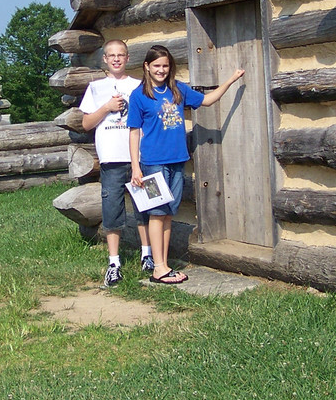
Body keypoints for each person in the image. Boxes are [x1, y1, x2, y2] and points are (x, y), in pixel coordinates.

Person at [127, 45, 245, 284]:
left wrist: (232, 79)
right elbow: (133, 132)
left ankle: (164, 264)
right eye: (156, 66)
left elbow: (208, 100)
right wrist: (136, 167)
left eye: (165, 66)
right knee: (156, 214)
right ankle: (158, 268)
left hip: (177, 161)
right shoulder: (139, 95)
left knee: (168, 214)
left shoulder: (178, 89)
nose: (161, 70)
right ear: (146, 67)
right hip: (152, 164)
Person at [79, 39, 152, 287]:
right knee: (112, 210)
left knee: (144, 208)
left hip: (140, 158)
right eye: (112, 56)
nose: (117, 59)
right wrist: (107, 107)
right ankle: (114, 263)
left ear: (127, 58)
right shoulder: (95, 88)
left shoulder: (139, 85)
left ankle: (147, 255)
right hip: (111, 159)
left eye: (121, 55)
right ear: (105, 60)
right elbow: (87, 124)